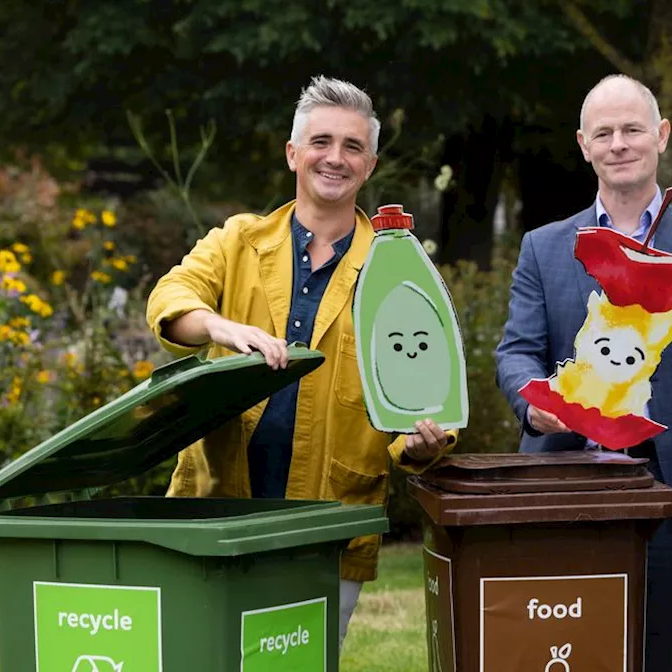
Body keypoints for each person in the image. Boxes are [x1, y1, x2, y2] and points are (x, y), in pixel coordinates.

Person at [145, 75, 456, 645]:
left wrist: (419, 445)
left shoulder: (396, 271)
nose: (334, 158)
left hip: (327, 522)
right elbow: (172, 296)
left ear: (370, 165)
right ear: (293, 153)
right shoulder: (238, 240)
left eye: (352, 146)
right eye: (321, 142)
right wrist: (218, 324)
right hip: (216, 507)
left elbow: (419, 388)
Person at [494, 74, 672, 672]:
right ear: (584, 145)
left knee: (654, 655)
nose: (619, 143)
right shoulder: (544, 246)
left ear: (661, 136)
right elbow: (516, 351)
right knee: (569, 650)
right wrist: (530, 402)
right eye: (604, 133)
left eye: (632, 129)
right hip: (567, 477)